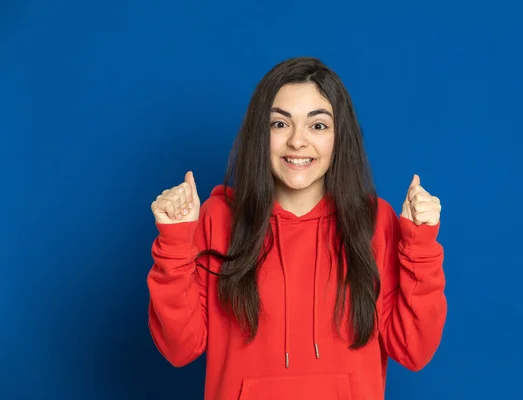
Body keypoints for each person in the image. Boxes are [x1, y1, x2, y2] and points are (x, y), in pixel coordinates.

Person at [146, 56, 447, 400]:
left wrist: (420, 247)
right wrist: (174, 243)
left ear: (339, 137)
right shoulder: (218, 218)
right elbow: (179, 348)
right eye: (279, 124)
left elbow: (413, 350)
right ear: (260, 133)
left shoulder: (374, 221)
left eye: (317, 125)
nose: (297, 141)